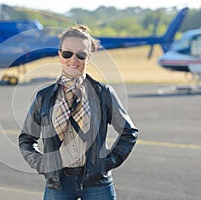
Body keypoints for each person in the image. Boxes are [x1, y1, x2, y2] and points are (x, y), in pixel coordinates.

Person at [19, 24, 138, 200]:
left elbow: (129, 132)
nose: (73, 60)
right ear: (60, 55)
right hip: (58, 185)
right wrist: (42, 164)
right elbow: (26, 139)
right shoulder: (43, 97)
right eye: (68, 53)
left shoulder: (103, 93)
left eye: (80, 55)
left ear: (88, 57)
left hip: (97, 183)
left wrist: (107, 162)